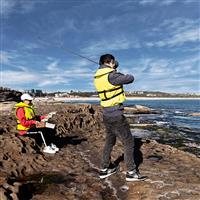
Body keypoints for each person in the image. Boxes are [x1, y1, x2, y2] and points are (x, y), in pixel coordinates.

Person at [94, 54, 145, 181]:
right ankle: (131, 172)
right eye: (113, 62)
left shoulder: (98, 77)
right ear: (111, 62)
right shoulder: (112, 75)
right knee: (129, 142)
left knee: (109, 142)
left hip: (106, 114)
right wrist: (115, 70)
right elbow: (130, 78)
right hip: (116, 114)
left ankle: (104, 169)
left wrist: (112, 69)